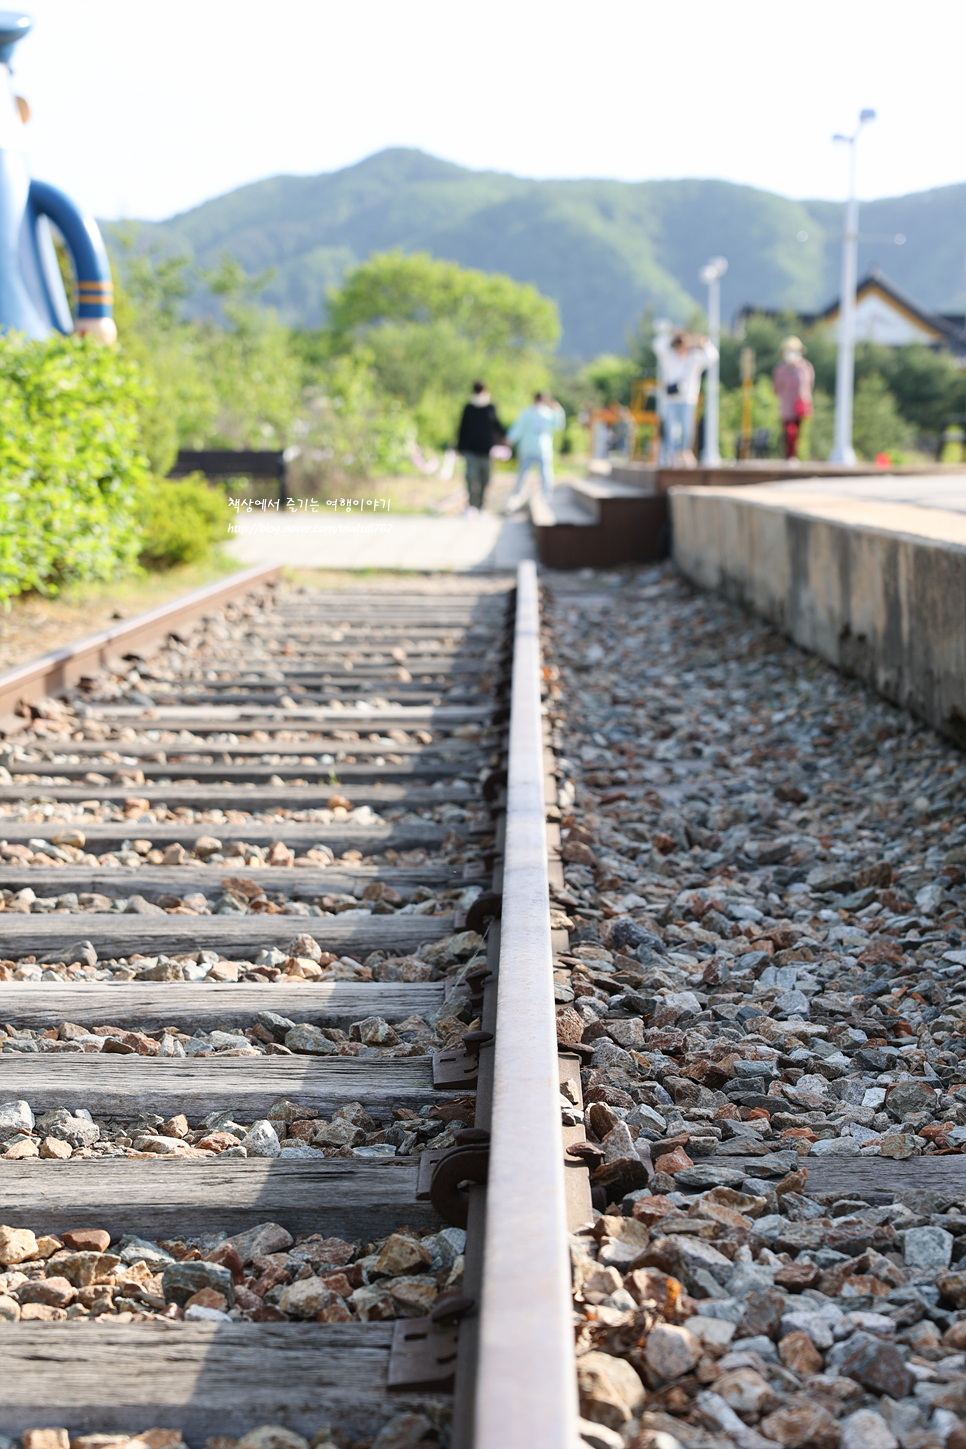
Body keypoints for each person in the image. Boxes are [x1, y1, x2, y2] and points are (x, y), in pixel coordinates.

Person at [653, 323, 718, 466]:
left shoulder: (695, 358)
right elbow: (657, 345)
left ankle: (684, 452)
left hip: (688, 398)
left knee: (687, 429)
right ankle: (672, 455)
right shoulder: (669, 356)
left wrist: (704, 343)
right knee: (670, 429)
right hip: (670, 399)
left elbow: (713, 357)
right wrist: (672, 334)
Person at [503, 391, 566, 512]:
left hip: (542, 449)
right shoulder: (528, 412)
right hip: (529, 449)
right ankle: (516, 498)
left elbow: (559, 425)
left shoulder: (548, 413)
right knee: (523, 475)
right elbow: (519, 427)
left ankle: (546, 497)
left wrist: (558, 410)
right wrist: (510, 438)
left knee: (545, 474)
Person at [456, 380, 506, 515]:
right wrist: (459, 446)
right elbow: (462, 428)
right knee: (471, 479)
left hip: (487, 451)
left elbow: (496, 425)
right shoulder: (469, 408)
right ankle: (472, 506)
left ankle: (481, 506)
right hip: (471, 450)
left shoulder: (490, 408)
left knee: (486, 479)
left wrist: (505, 438)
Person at [772, 336, 814, 460]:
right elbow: (776, 387)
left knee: (799, 433)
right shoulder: (780, 369)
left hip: (800, 404)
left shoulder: (806, 367)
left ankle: (795, 455)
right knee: (789, 431)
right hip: (786, 405)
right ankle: (789, 456)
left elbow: (809, 385)